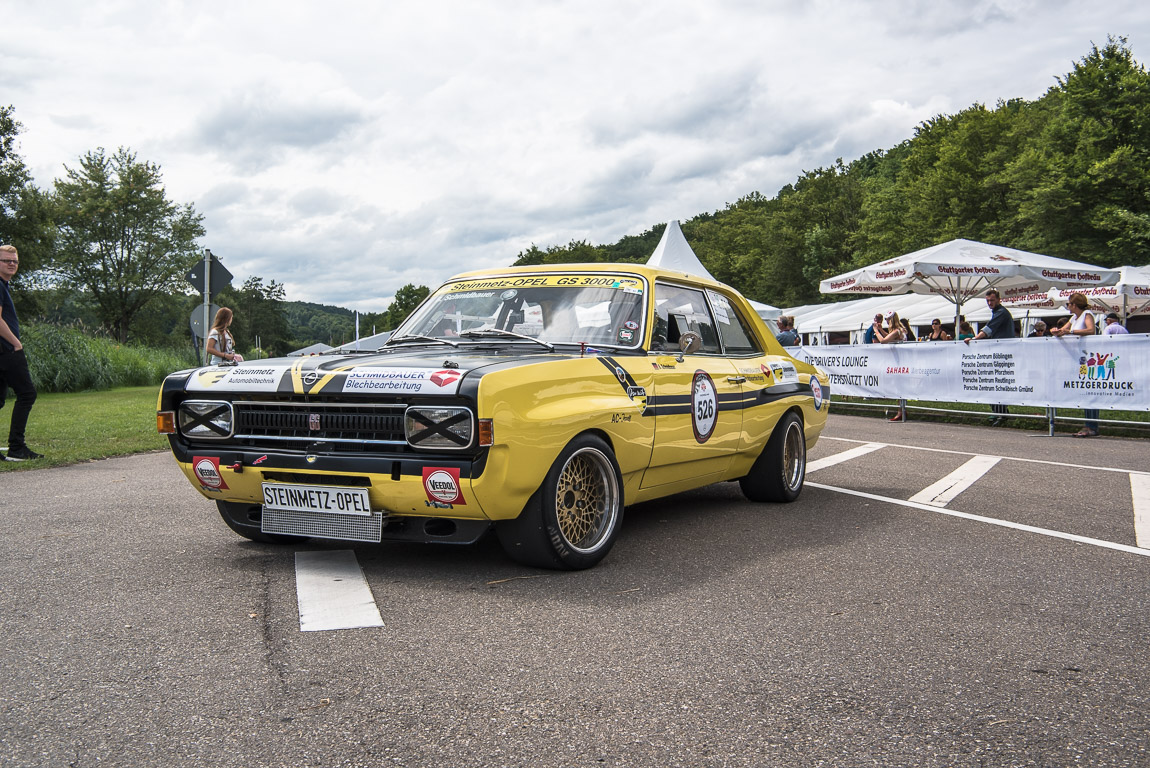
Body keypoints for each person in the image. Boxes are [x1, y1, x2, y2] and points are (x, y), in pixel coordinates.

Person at [0, 245, 43, 461]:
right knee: (27, 394)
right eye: (6, 260)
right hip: (6, 351)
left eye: (14, 261)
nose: (11, 264)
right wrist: (16, 343)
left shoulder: (4, 286)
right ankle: (17, 448)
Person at [1051, 293, 1099, 437]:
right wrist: (1056, 332)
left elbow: (1091, 330)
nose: (1067, 307)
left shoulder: (1086, 314)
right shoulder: (1075, 317)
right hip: (1079, 358)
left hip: (1087, 356)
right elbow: (1063, 331)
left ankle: (1092, 425)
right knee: (1084, 389)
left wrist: (1069, 331)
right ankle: (1088, 423)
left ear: (1074, 305)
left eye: (1068, 304)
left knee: (1089, 389)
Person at [965, 289, 1015, 424]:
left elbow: (989, 329)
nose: (989, 303)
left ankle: (1001, 413)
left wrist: (975, 338)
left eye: (992, 300)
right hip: (998, 352)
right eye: (987, 301)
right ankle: (999, 412)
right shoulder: (997, 312)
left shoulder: (1001, 312)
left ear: (999, 300)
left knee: (995, 382)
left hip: (1003, 353)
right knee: (993, 382)